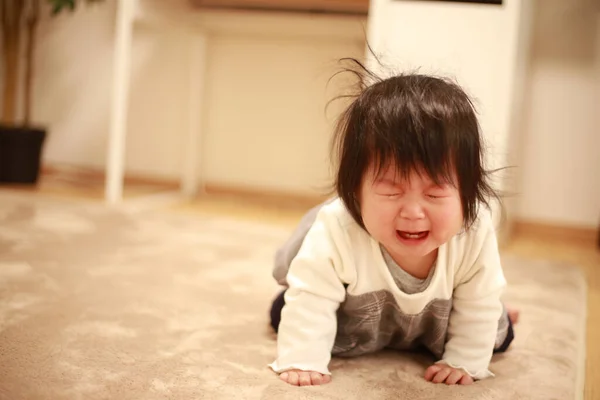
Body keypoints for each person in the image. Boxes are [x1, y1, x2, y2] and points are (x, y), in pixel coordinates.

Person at [268, 59, 517, 387]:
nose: (413, 211)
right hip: (353, 318)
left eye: (434, 193)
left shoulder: (473, 232)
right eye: (391, 190)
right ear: (354, 191)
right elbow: (311, 297)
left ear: (468, 194)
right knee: (284, 311)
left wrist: (464, 362)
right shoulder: (339, 227)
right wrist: (302, 358)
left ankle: (504, 308)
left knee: (497, 331)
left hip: (436, 320)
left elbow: (478, 314)